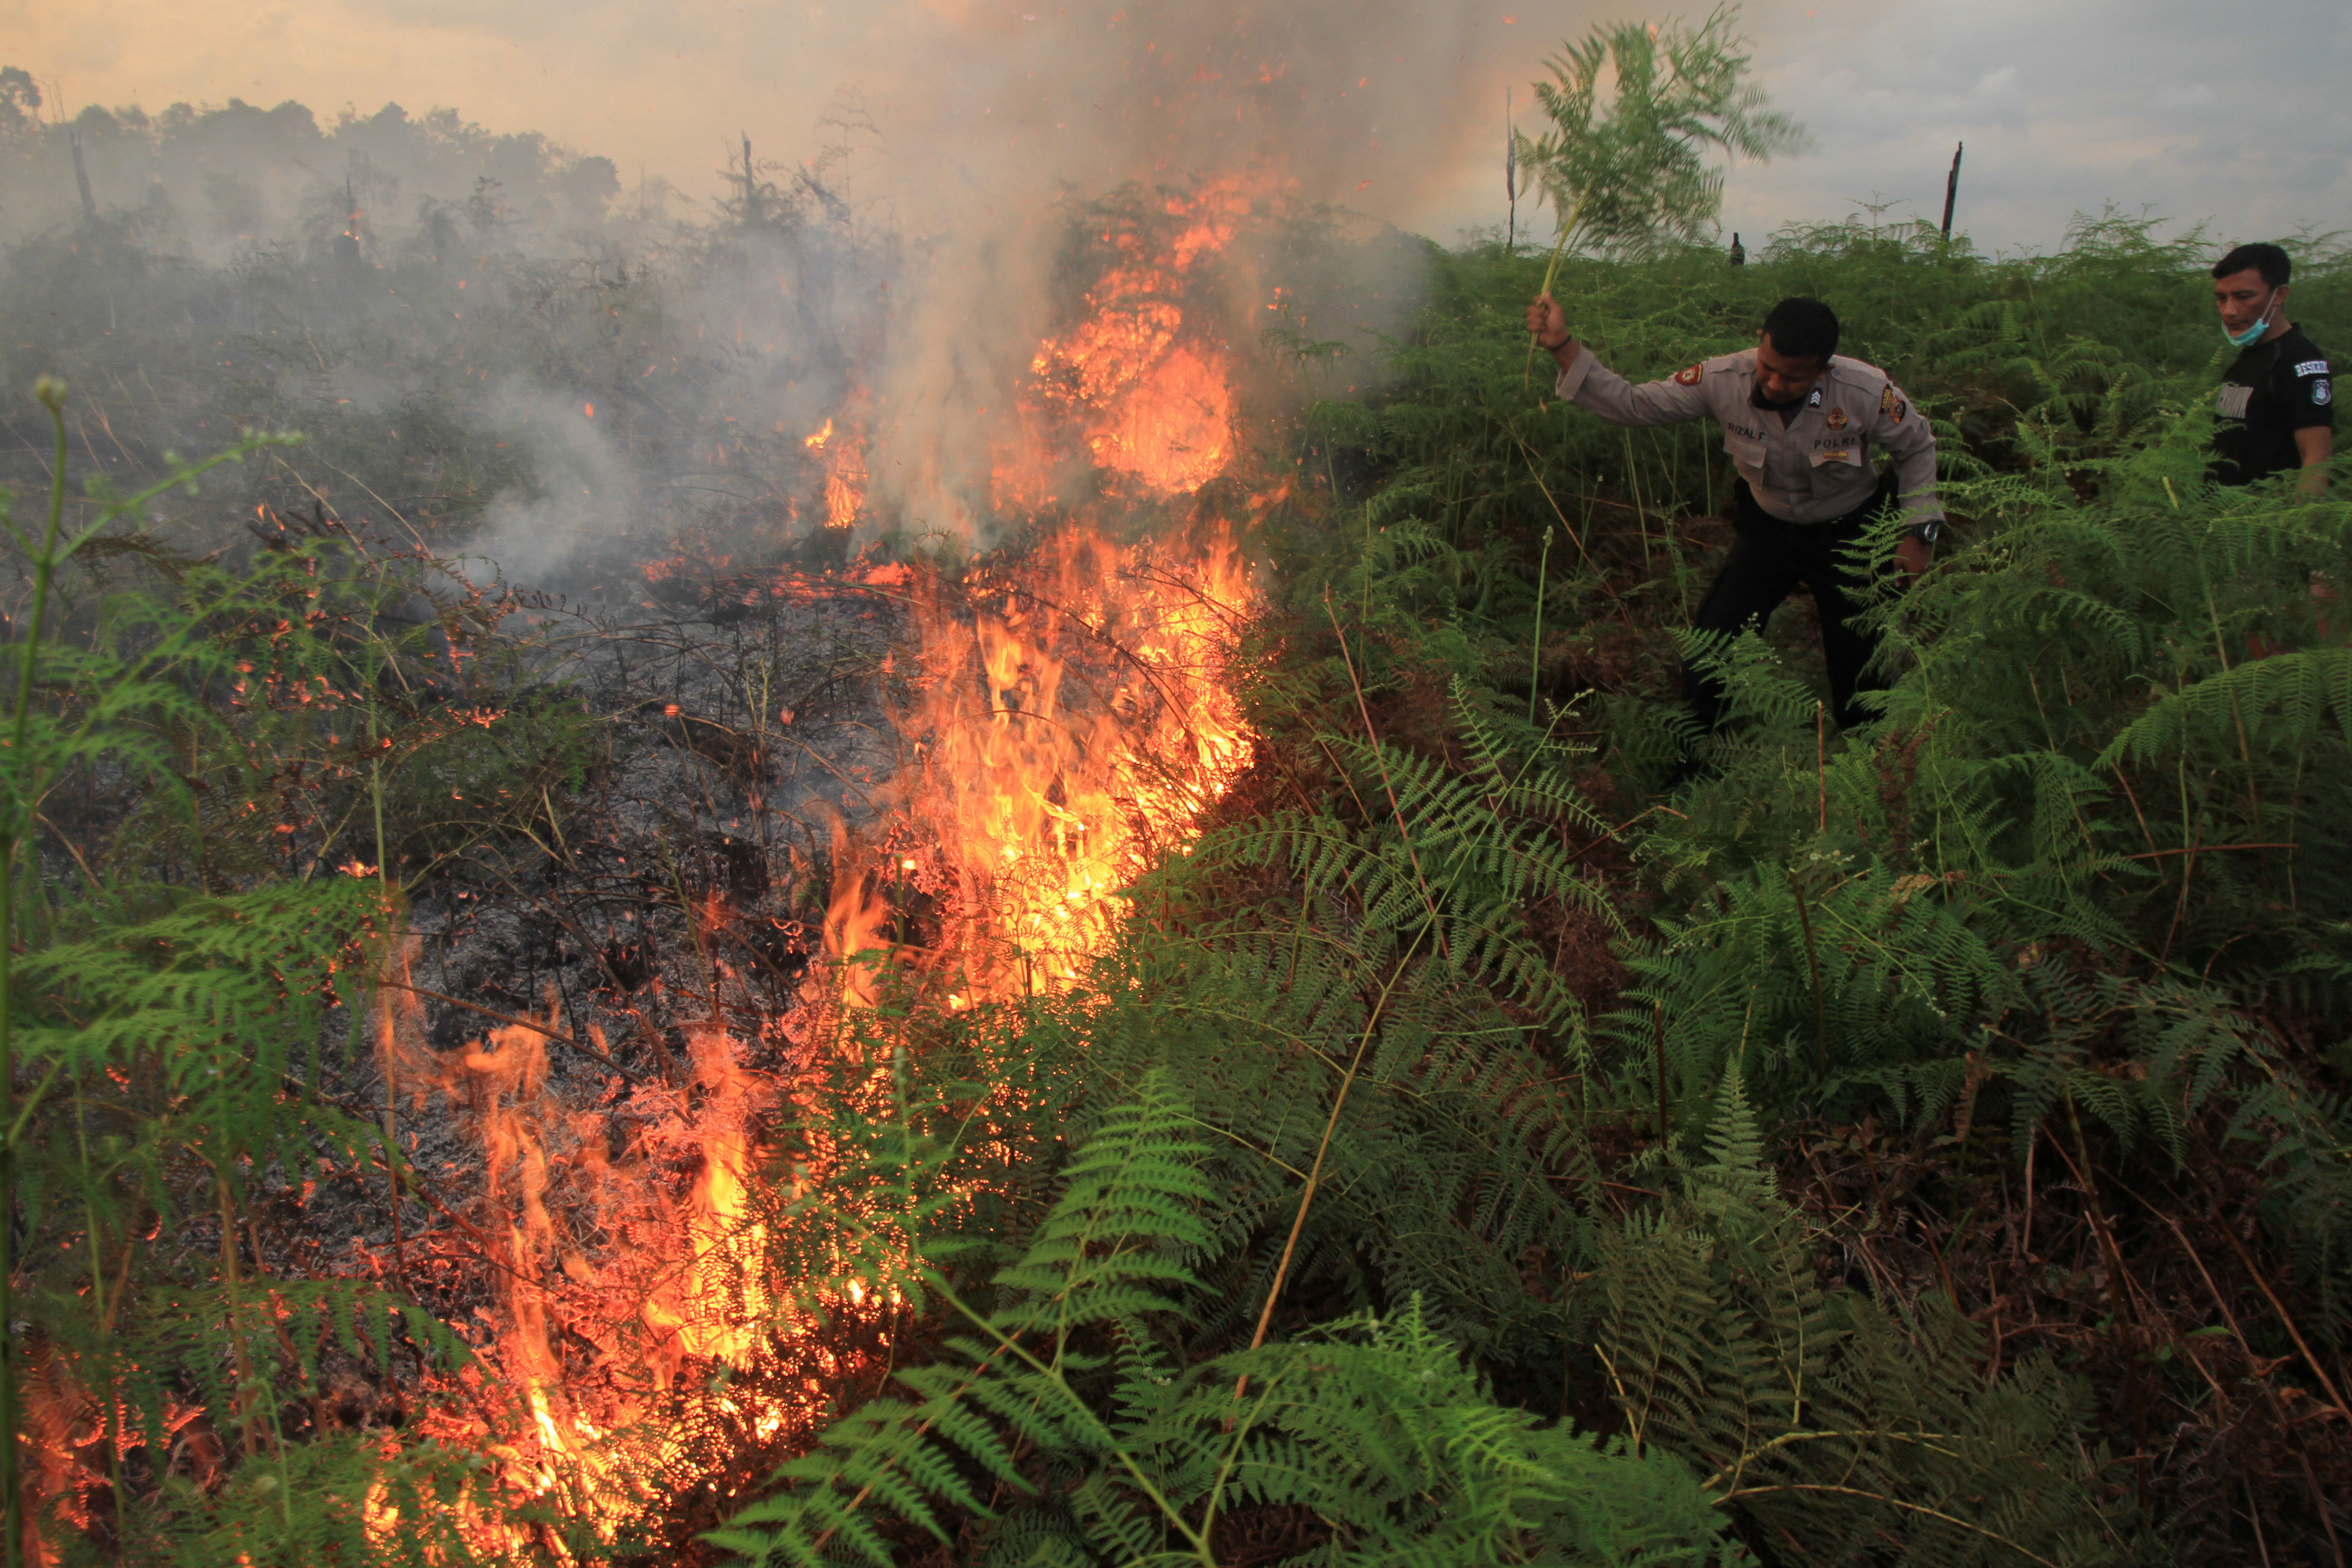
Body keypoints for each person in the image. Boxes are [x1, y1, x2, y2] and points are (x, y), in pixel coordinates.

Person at [1524, 292, 1940, 737]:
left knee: (1865, 665)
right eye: (1769, 367)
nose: (1776, 384)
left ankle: (1869, 764)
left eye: (1794, 378)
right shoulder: (1721, 378)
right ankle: (1699, 762)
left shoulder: (1865, 390)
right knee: (1712, 646)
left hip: (1852, 532)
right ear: (1760, 341)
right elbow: (1633, 404)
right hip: (1769, 532)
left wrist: (1918, 533)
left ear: (1824, 368)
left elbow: (1916, 446)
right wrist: (1562, 345)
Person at [2210, 242, 2333, 494]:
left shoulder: (2298, 361)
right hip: (2223, 522)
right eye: (2222, 298)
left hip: (2267, 523)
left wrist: (2300, 528)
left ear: (2279, 295)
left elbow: (2317, 457)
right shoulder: (2247, 358)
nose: (2229, 311)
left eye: (2244, 297)